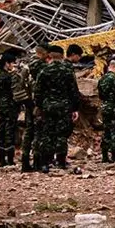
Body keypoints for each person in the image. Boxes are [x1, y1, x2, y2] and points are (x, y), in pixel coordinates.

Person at [32, 43, 78, 171]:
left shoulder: (44, 71)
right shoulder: (67, 71)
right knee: (62, 134)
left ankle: (45, 163)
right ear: (62, 56)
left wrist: (39, 106)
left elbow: (38, 92)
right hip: (64, 106)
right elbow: (73, 91)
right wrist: (75, 108)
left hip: (48, 107)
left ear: (49, 56)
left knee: (48, 134)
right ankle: (61, 161)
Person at [0, 48, 29, 169]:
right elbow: (18, 87)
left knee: (1, 130)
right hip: (11, 106)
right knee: (9, 131)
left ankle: (1, 159)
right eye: (12, 63)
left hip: (1, 106)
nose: (13, 65)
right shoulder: (10, 77)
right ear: (7, 63)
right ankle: (9, 159)